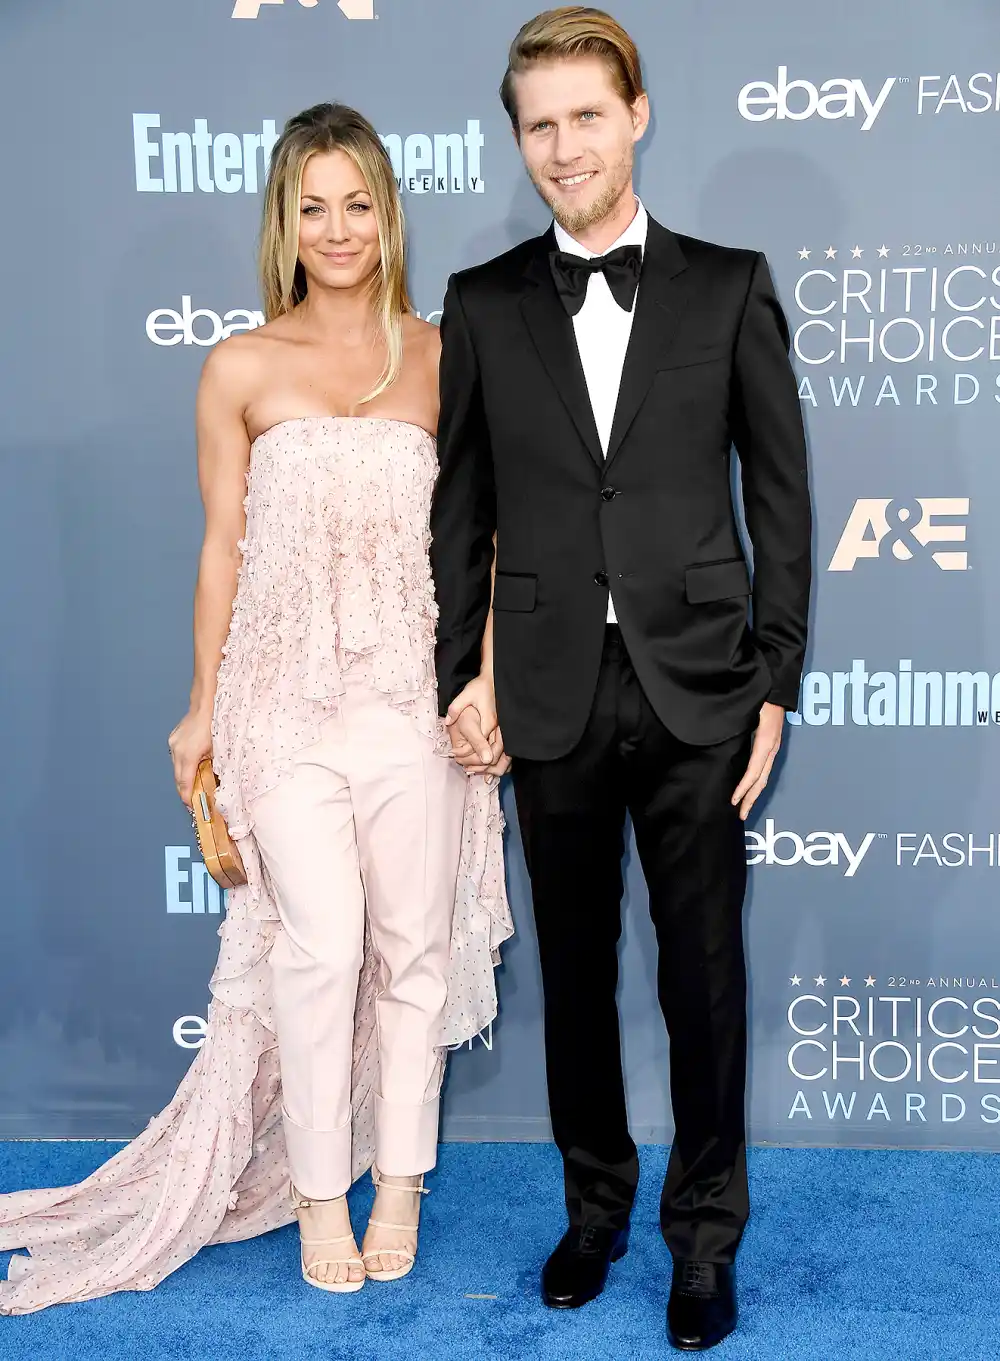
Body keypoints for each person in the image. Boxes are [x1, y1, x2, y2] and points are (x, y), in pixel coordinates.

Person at [0, 102, 511, 1313]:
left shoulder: (444, 355)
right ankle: (322, 1197)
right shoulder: (237, 362)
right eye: (311, 206)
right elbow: (222, 546)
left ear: (390, 211)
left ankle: (401, 1184)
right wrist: (199, 705)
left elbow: (488, 540)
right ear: (282, 221)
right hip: (278, 701)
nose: (337, 229)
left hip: (412, 700)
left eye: (358, 203)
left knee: (412, 953)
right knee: (319, 943)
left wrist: (484, 675)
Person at [431, 7, 811, 1351]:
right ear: (517, 139)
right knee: (577, 975)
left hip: (701, 687)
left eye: (588, 114)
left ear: (638, 114)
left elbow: (781, 497)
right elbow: (459, 511)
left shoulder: (726, 284)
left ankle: (704, 1238)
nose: (564, 145)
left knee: (702, 978)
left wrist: (773, 681)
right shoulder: (478, 307)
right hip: (546, 691)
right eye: (539, 123)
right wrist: (452, 683)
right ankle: (595, 1209)